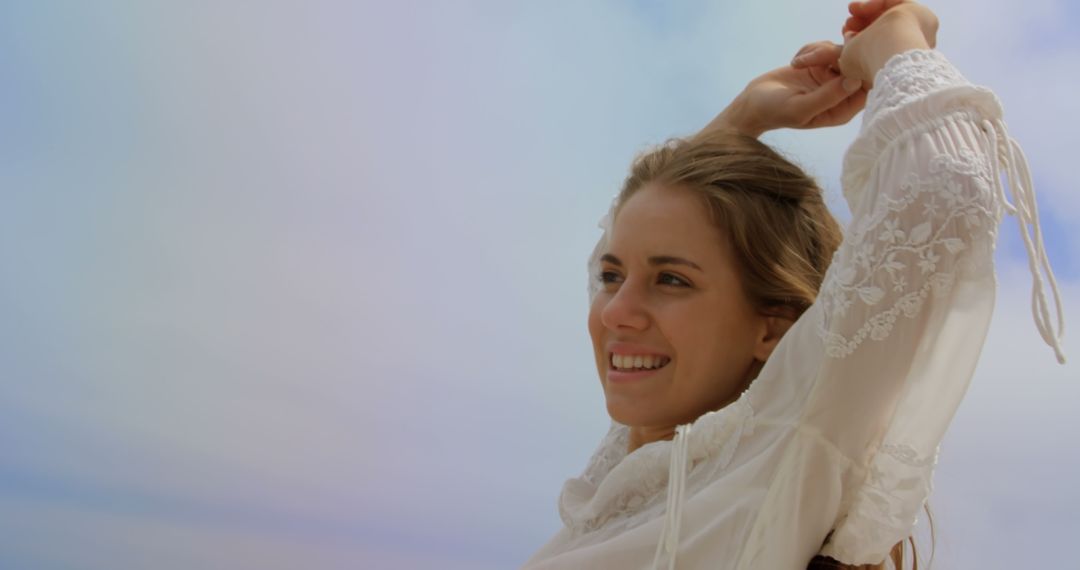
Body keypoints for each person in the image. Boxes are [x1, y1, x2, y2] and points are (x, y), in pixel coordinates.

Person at [522, 1, 1066, 569]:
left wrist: (899, 43)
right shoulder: (622, 485)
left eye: (672, 280)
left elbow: (942, 190)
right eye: (612, 277)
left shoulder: (780, 450)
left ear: (773, 326)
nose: (616, 312)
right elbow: (636, 232)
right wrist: (739, 122)